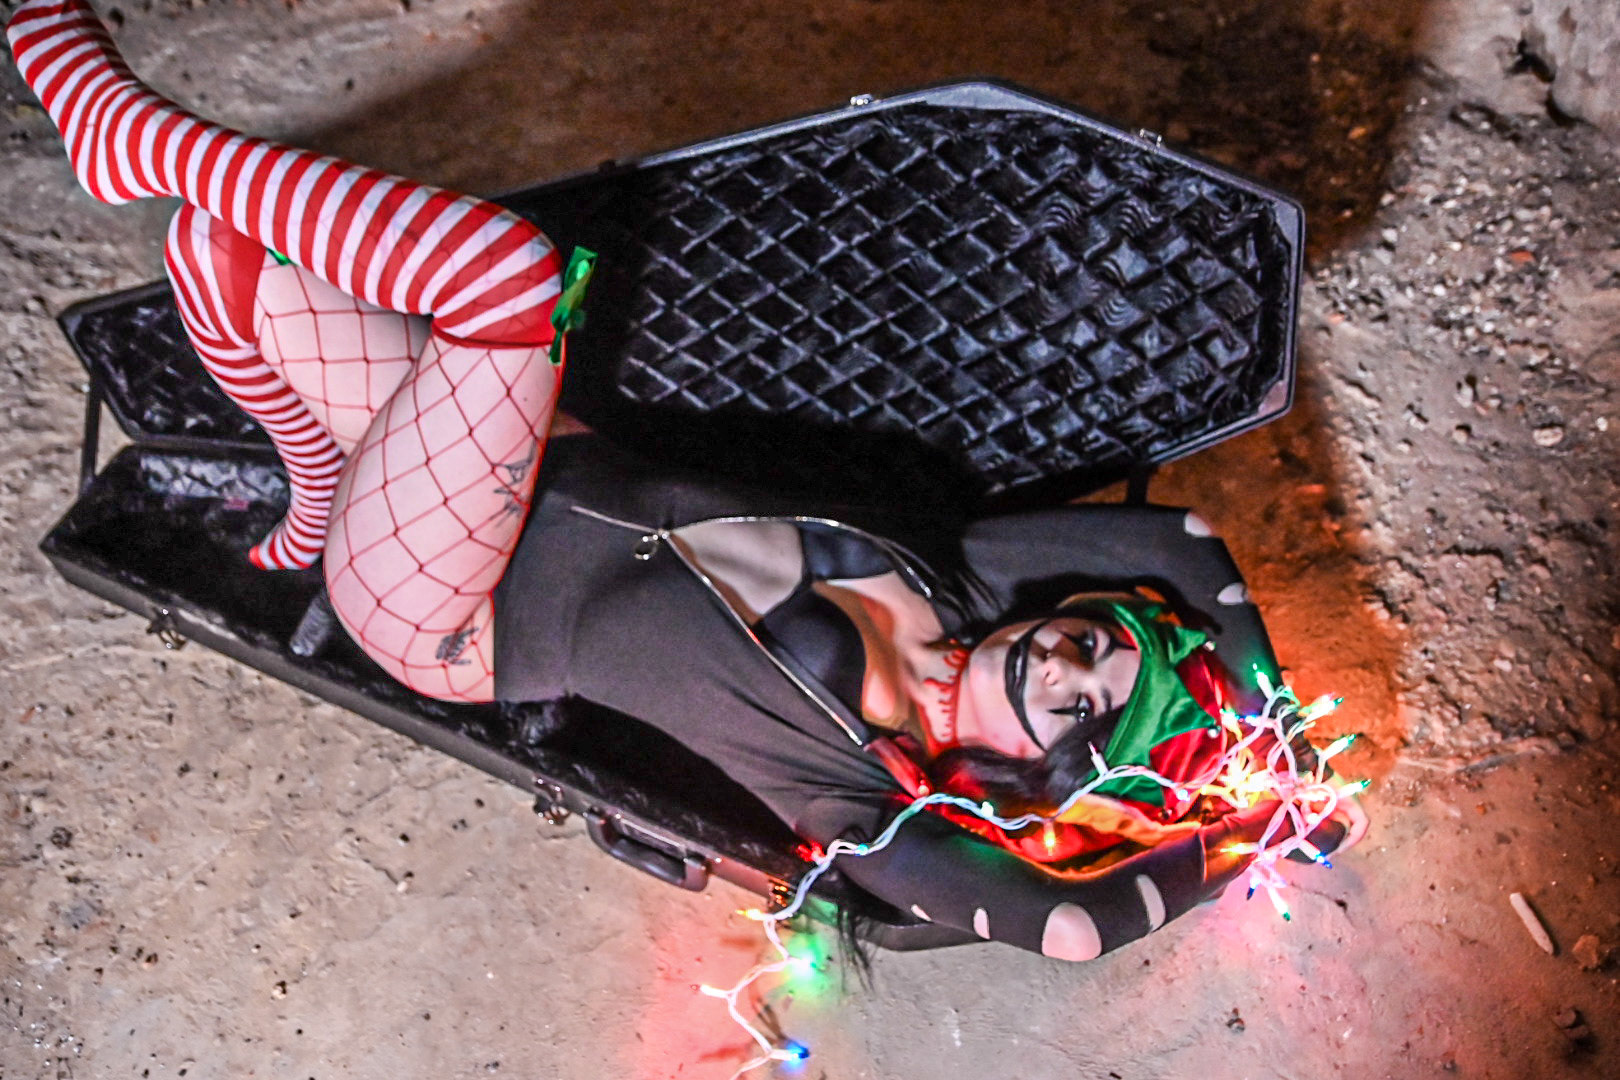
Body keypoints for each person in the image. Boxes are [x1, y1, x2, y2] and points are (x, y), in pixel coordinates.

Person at [9, 0, 1364, 963]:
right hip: (515, 465)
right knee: (220, 257)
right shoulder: (970, 574)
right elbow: (1182, 542)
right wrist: (1284, 736)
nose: (1070, 656)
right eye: (1098, 640)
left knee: (505, 282)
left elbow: (1068, 927)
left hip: (443, 604)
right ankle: (315, 489)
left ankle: (123, 136)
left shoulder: (868, 799)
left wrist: (1253, 838)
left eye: (1088, 702)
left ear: (1047, 775)